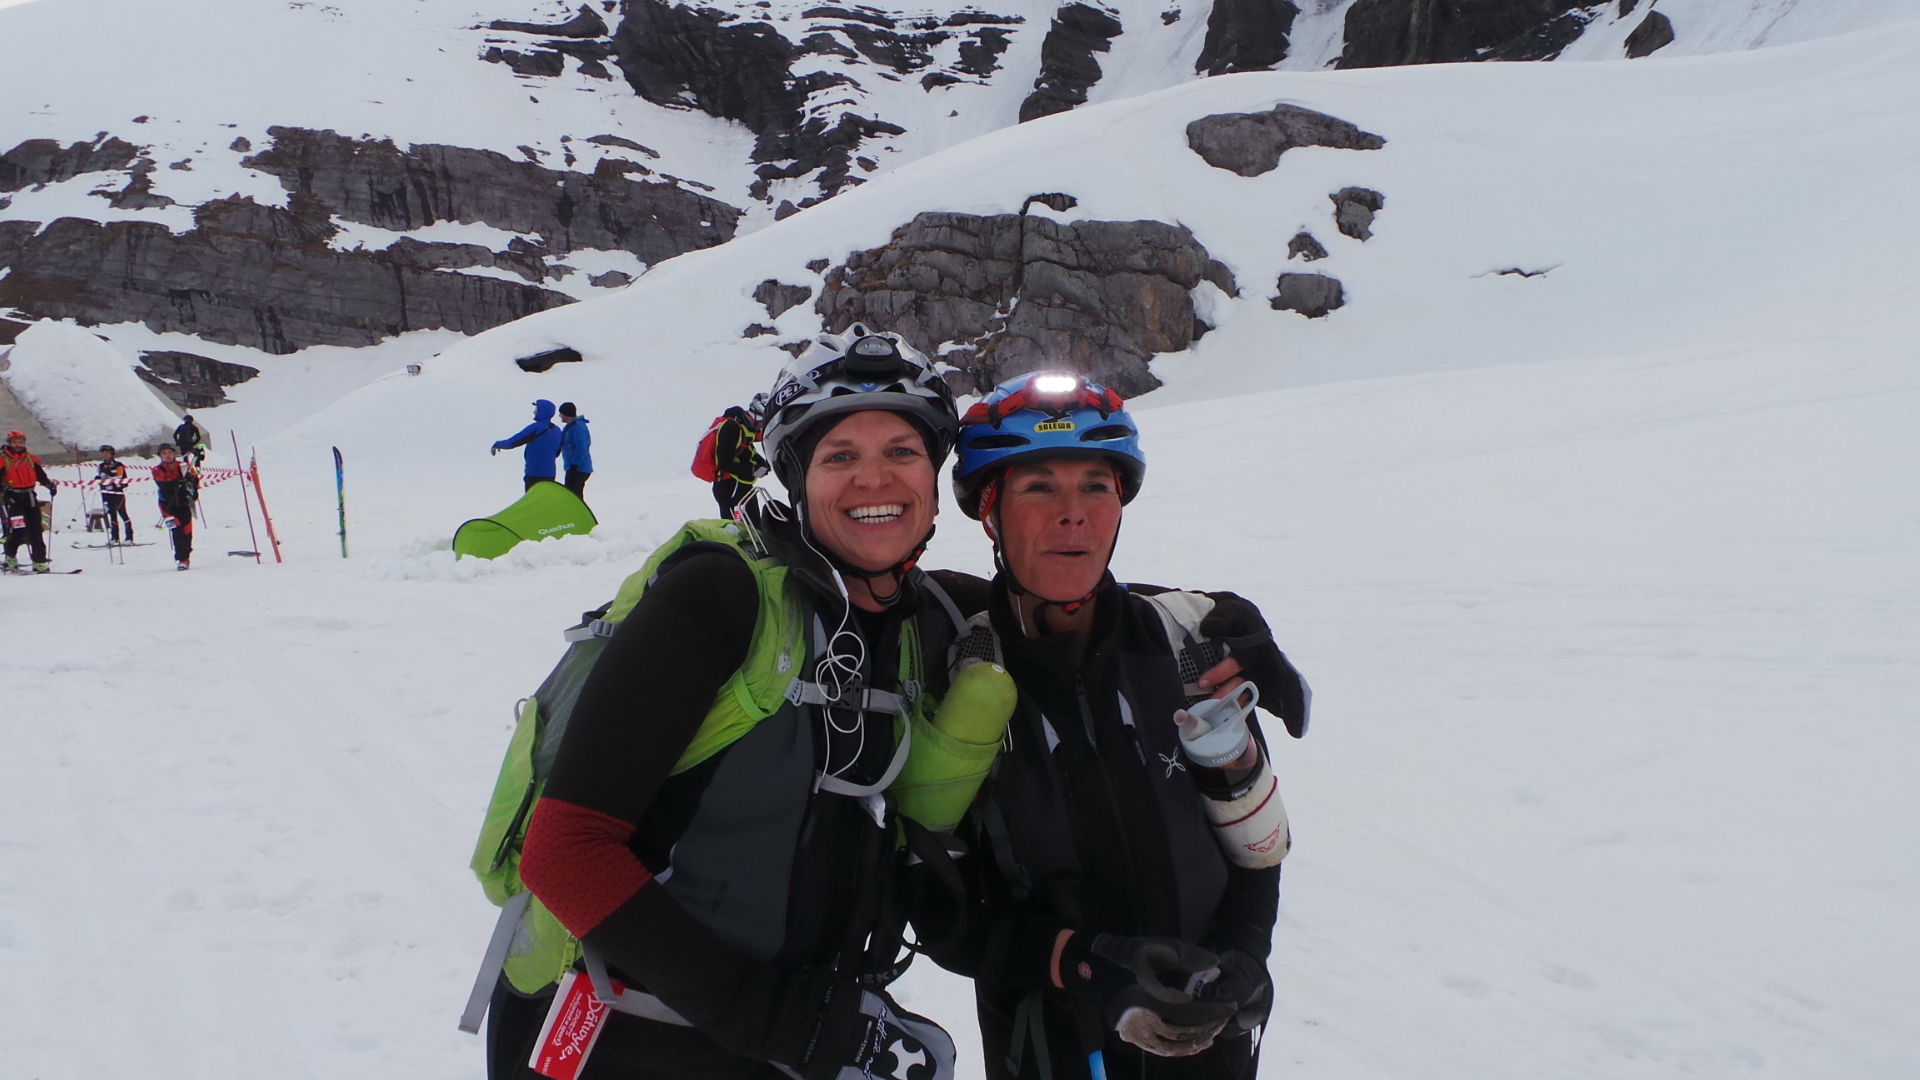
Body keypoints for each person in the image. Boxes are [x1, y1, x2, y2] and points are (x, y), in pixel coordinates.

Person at [502, 327, 977, 1080]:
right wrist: (787, 1025)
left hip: (774, 1036)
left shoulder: (928, 618)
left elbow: (1058, 608)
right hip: (618, 1032)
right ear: (795, 476)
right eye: (839, 456)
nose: (874, 479)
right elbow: (565, 853)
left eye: (902, 450)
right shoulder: (719, 596)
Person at [921, 371, 1312, 1080]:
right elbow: (939, 912)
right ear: (990, 512)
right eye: (1039, 487)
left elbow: (1256, 847)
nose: (1073, 514)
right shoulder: (952, 671)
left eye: (1096, 486)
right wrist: (1086, 965)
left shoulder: (1186, 647)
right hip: (1050, 1049)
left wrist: (1247, 955)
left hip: (1213, 1040)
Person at [2, 429, 59, 573]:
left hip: (29, 497)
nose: (18, 445)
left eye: (20, 442)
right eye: (15, 442)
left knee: (36, 529)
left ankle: (39, 560)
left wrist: (50, 486)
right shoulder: (3, 459)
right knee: (19, 529)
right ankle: (10, 555)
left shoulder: (30, 458)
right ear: (9, 443)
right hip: (13, 498)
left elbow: (41, 476)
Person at [491, 399, 562, 491]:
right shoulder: (557, 431)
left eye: (536, 409)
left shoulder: (535, 428)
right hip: (550, 474)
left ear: (543, 411)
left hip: (533, 473)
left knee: (532, 499)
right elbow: (557, 452)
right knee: (545, 499)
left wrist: (497, 444)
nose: (534, 412)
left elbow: (514, 442)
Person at [153, 444, 198, 570]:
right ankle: (182, 559)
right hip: (167, 505)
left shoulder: (184, 466)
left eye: (169, 452)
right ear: (160, 456)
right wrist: (177, 481)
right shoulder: (157, 469)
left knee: (187, 531)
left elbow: (195, 480)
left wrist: (191, 479)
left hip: (183, 503)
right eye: (164, 453)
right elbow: (162, 485)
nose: (167, 455)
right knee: (176, 531)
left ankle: (186, 555)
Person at [96, 444, 134, 543]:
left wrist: (110, 477)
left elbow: (120, 478)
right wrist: (99, 479)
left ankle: (129, 536)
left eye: (107, 453)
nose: (105, 455)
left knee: (122, 513)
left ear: (112, 454)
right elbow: (101, 478)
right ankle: (114, 537)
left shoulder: (118, 465)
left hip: (117, 493)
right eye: (103, 453)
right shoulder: (101, 466)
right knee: (112, 514)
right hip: (106, 493)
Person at [557, 401, 593, 500]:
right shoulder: (571, 426)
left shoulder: (578, 427)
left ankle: (577, 510)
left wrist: (575, 465)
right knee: (572, 494)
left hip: (578, 468)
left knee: (574, 496)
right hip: (574, 467)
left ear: (566, 413)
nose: (559, 415)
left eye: (561, 413)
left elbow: (582, 447)